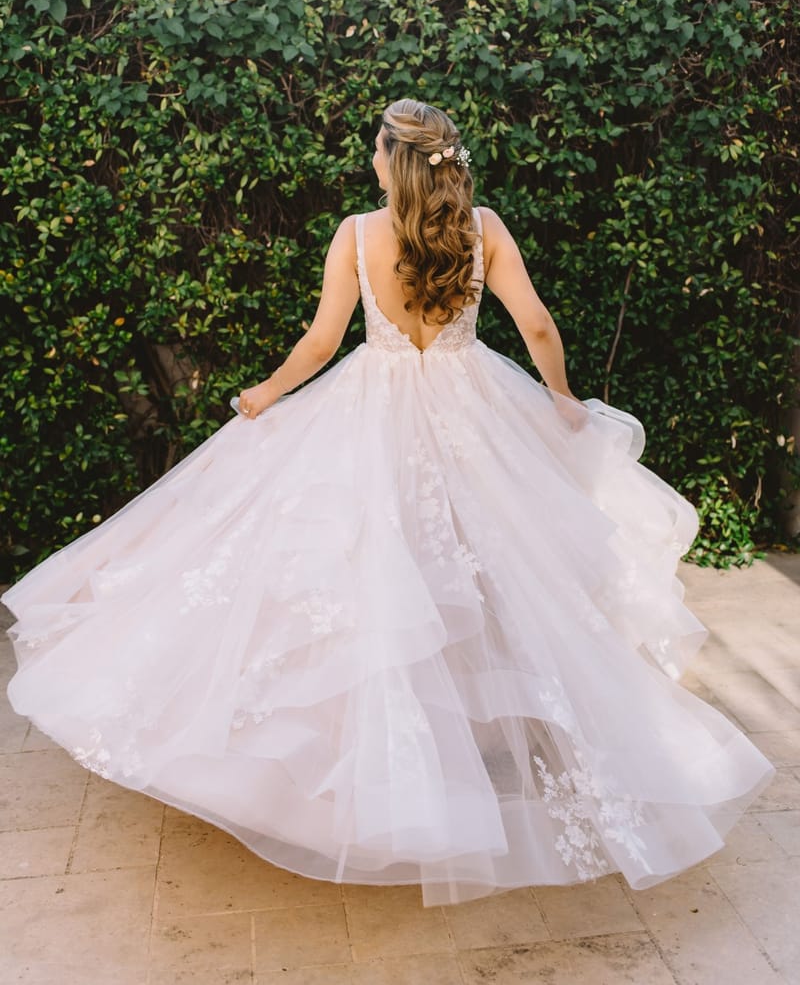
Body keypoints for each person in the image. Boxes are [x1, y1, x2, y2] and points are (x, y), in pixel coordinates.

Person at [4, 98, 773, 908]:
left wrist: (266, 392)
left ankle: (391, 750)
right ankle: (460, 735)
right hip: (471, 410)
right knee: (490, 564)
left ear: (390, 160)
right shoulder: (484, 228)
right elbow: (537, 324)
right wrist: (563, 397)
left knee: (375, 570)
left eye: (374, 146)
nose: (369, 158)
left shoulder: (356, 234)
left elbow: (321, 341)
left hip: (371, 415)